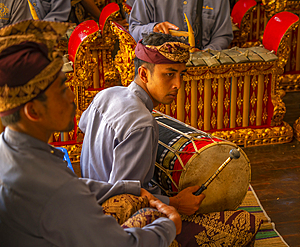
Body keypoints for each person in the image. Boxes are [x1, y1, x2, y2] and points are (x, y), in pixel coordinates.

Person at [0, 20, 181, 246]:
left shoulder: (7, 148)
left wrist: (129, 187)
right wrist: (169, 225)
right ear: (33, 111)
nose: (70, 96)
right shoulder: (55, 189)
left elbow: (78, 182)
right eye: (62, 89)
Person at [79, 32, 205, 215]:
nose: (178, 84)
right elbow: (125, 198)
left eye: (181, 74)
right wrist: (176, 202)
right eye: (169, 74)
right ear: (144, 74)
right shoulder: (143, 124)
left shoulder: (107, 94)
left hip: (89, 194)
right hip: (110, 218)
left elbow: (83, 127)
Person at [128, 0, 233, 51]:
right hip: (160, 68)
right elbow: (134, 29)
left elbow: (222, 35)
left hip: (203, 69)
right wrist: (153, 29)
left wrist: (205, 53)